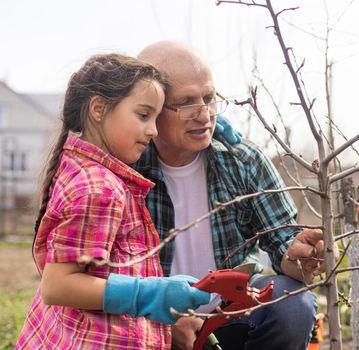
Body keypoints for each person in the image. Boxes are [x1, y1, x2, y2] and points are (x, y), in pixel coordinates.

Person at [135, 41, 326, 350]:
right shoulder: (127, 170)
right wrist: (158, 321)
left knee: (292, 304)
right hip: (146, 324)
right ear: (151, 108)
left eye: (209, 98)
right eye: (186, 103)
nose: (205, 115)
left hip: (226, 317)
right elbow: (101, 277)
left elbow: (282, 242)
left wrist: (299, 255)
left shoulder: (243, 160)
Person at [15, 53, 212, 349]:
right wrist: (149, 294)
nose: (154, 130)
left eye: (156, 118)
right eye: (144, 115)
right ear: (98, 108)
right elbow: (58, 285)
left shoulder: (80, 169)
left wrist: (214, 129)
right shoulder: (99, 187)